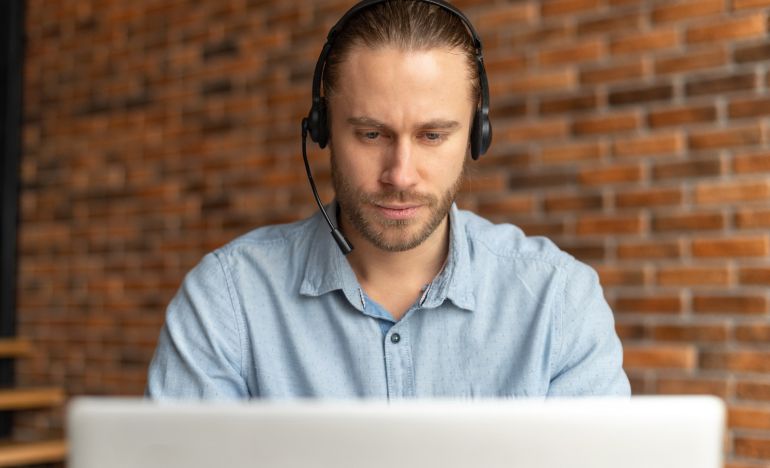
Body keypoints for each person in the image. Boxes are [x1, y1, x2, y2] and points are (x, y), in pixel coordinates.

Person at [146, 0, 630, 399]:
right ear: (323, 131)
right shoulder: (227, 301)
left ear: (477, 136)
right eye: (372, 133)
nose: (400, 174)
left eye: (433, 135)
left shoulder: (558, 301)